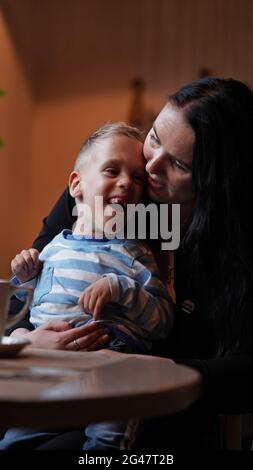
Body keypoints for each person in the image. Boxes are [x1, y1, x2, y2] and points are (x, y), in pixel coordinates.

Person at [5, 76, 253, 450]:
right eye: (154, 137)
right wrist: (29, 339)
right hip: (60, 379)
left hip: (156, 407)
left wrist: (154, 372)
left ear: (212, 182)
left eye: (178, 164)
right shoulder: (113, 191)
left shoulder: (229, 243)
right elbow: (34, 284)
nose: (149, 165)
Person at [0, 122, 172, 451]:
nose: (126, 183)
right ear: (76, 186)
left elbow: (162, 321)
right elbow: (24, 305)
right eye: (112, 170)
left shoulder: (137, 256)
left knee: (106, 444)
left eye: (137, 179)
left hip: (113, 367)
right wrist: (23, 275)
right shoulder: (50, 251)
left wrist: (123, 288)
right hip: (47, 372)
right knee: (12, 443)